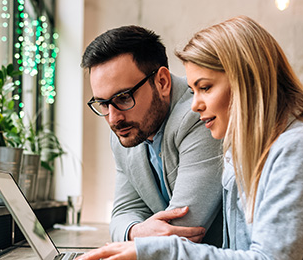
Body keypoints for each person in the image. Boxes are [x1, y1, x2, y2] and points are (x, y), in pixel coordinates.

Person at [72, 16, 303, 260]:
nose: (195, 104)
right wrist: (141, 240)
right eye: (195, 89)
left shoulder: (300, 147)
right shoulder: (244, 151)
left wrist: (157, 249)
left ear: (247, 82)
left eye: (205, 88)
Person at [81, 25, 223, 246]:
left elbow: (181, 230)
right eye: (103, 104)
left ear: (162, 82)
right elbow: (123, 213)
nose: (113, 118)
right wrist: (135, 232)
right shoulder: (127, 130)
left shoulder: (201, 115)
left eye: (124, 97)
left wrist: (135, 234)